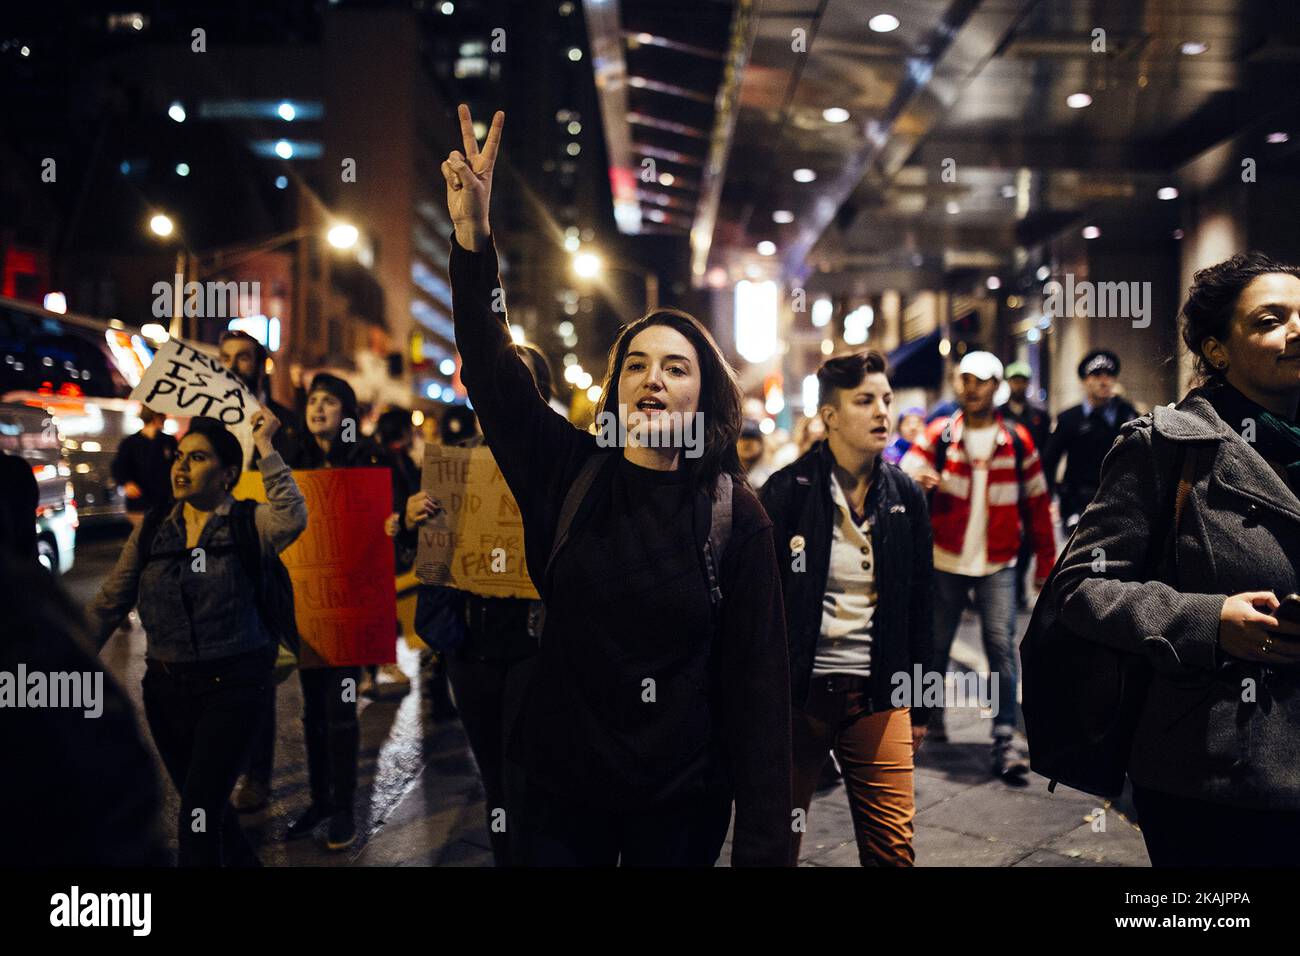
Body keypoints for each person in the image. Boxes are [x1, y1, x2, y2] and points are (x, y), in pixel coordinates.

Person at [443, 104, 791, 866]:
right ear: (614, 390)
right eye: (636, 364)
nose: (653, 381)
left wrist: (766, 846)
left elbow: (760, 694)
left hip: (679, 808)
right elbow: (493, 370)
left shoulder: (738, 518)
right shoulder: (567, 470)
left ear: (705, 397)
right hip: (556, 797)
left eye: (675, 368)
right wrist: (474, 239)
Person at [1051, 252, 1300, 865]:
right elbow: (1080, 587)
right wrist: (1209, 623)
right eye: (1271, 320)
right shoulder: (1165, 447)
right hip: (1216, 769)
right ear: (1216, 350)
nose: (1298, 331)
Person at [88, 410, 306, 866]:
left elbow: (292, 517)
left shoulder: (248, 523)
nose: (181, 467)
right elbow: (110, 602)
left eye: (199, 457)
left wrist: (266, 446)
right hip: (166, 692)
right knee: (208, 808)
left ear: (228, 474)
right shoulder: (153, 527)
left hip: (234, 687)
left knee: (197, 816)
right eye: (181, 456)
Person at [760, 351, 933, 866]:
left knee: (893, 853)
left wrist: (919, 704)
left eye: (885, 399)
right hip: (797, 698)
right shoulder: (787, 492)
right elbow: (757, 611)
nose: (883, 412)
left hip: (878, 697)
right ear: (830, 416)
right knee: (772, 846)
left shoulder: (904, 495)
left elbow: (921, 606)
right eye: (865, 401)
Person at [408, 343, 555, 866]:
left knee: (526, 772)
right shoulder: (457, 461)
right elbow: (431, 556)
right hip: (469, 642)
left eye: (520, 380)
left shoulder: (557, 461)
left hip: (534, 643)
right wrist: (414, 518)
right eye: (495, 380)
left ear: (541, 391)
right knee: (493, 774)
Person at [901, 351, 1055, 779]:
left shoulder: (1018, 439)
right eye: (965, 379)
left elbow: (1039, 504)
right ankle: (928, 724)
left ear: (996, 386)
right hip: (944, 558)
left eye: (981, 380)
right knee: (933, 646)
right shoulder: (941, 434)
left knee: (1001, 648)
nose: (971, 387)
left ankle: (1005, 736)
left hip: (999, 561)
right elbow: (902, 468)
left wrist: (1047, 563)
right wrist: (916, 476)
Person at [282, 372, 404, 852]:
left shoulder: (371, 458)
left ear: (347, 413)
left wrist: (395, 521)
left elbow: (405, 507)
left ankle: (342, 808)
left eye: (330, 402)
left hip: (352, 604)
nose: (318, 409)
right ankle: (317, 800)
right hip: (308, 605)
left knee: (340, 711)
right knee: (312, 711)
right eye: (313, 400)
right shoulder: (293, 459)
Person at [221, 331, 304, 813]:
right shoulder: (206, 421)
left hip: (265, 552)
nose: (235, 365)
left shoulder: (283, 423)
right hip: (218, 553)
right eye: (226, 358)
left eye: (244, 358)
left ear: (260, 364)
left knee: (259, 667)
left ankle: (258, 775)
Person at [1043, 349, 1139, 535]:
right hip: (1078, 502)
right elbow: (1050, 461)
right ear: (1085, 381)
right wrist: (1047, 500)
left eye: (1109, 375)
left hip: (1118, 500)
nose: (1104, 381)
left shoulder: (1127, 414)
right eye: (1096, 375)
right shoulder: (1069, 418)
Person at [998, 362, 1053, 609]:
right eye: (1014, 380)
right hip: (1003, 483)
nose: (1018, 385)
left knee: (1031, 539)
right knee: (1007, 535)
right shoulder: (998, 413)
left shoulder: (1040, 416)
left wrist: (1047, 488)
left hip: (1030, 484)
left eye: (1022, 380)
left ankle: (1018, 584)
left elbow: (1048, 454)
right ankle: (1008, 588)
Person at [218, 330, 302, 466]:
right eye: (226, 358)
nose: (232, 366)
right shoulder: (203, 420)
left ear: (262, 367)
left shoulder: (288, 423)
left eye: (242, 358)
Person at [111, 407, 178, 526]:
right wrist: (126, 483)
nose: (164, 419)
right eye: (161, 416)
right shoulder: (130, 442)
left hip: (164, 502)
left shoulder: (169, 441)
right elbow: (118, 466)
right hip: (139, 503)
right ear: (155, 417)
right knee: (143, 537)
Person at [737, 418, 772, 489]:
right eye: (742, 438)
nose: (747, 443)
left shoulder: (768, 476)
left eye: (752, 438)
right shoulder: (726, 473)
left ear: (761, 444)